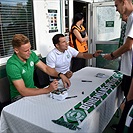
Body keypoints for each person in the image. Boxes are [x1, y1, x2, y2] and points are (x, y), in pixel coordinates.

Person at [6, 34, 70, 102]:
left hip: (33, 89)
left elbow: (45, 68)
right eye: (26, 51)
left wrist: (60, 75)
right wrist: (47, 90)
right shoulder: (12, 65)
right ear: (16, 50)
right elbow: (23, 91)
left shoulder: (31, 55)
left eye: (30, 49)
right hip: (18, 97)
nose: (29, 52)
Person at [103, 0, 133, 98]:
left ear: (123, 2)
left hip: (130, 70)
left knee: (128, 102)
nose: (116, 10)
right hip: (128, 69)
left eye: (117, 5)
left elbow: (128, 46)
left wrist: (112, 55)